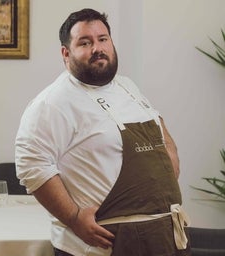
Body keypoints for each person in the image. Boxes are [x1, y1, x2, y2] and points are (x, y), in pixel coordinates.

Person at [15, 8, 190, 256]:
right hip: (104, 246)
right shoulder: (52, 102)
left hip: (163, 237)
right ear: (66, 54)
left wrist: (169, 154)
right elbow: (31, 165)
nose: (97, 48)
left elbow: (155, 119)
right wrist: (74, 217)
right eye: (85, 43)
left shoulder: (126, 86)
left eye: (103, 39)